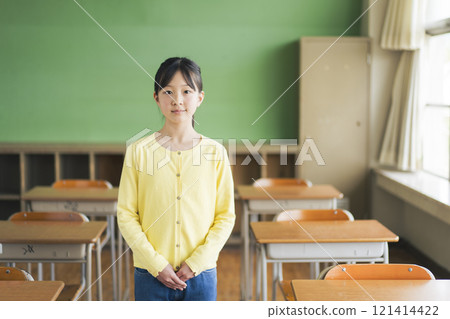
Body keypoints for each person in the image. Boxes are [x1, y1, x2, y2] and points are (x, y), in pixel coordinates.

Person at [117, 57, 235, 301]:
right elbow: (126, 214)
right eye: (167, 91)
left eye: (186, 91)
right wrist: (156, 264)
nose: (177, 100)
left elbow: (225, 216)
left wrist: (196, 263)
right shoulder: (139, 151)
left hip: (201, 274)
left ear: (200, 98)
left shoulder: (215, 153)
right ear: (156, 98)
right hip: (150, 274)